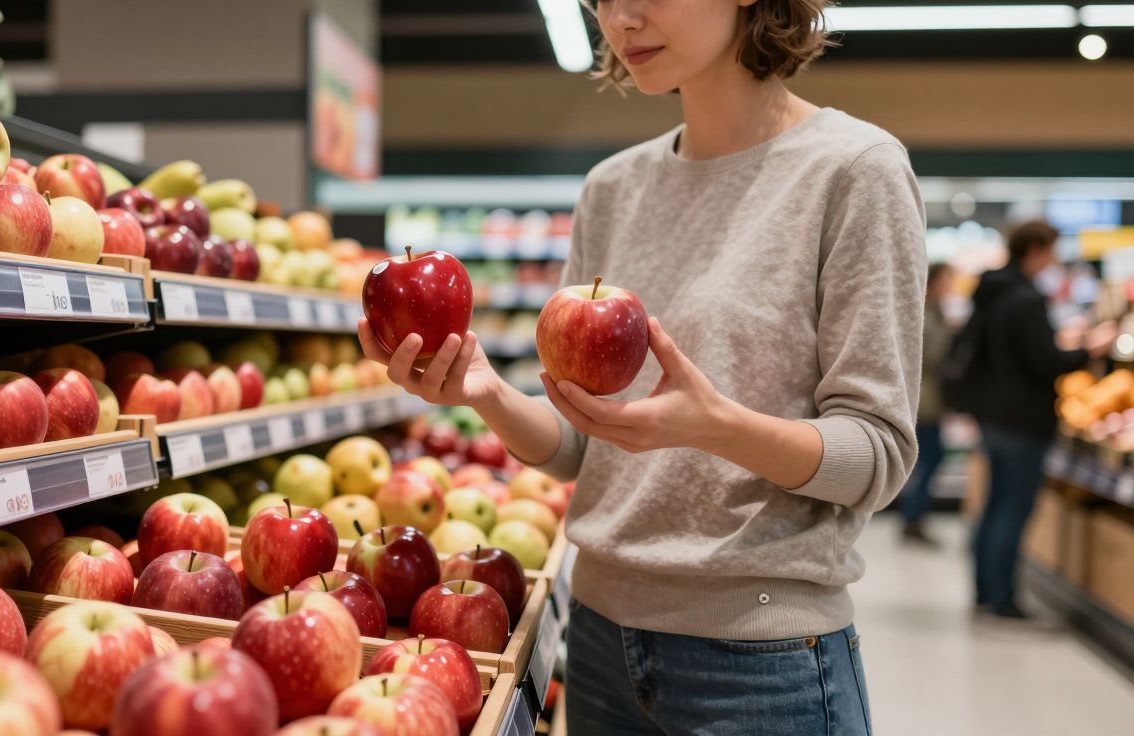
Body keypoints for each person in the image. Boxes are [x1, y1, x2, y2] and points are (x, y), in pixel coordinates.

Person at [359, 1, 926, 733]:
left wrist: (718, 429)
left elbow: (876, 456)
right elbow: (583, 449)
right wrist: (486, 392)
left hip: (762, 665)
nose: (619, 18)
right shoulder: (612, 189)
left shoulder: (854, 171)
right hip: (599, 640)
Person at [967, 220, 1114, 620]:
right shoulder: (1026, 299)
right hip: (1023, 420)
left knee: (996, 505)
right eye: (1051, 249)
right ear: (1036, 249)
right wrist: (1088, 349)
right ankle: (1002, 598)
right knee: (1014, 508)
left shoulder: (992, 292)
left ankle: (985, 591)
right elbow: (1047, 363)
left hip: (994, 416)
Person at [899, 263, 956, 546]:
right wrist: (953, 336)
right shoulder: (927, 313)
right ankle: (912, 517)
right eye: (948, 279)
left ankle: (913, 516)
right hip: (925, 402)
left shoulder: (937, 311)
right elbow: (928, 355)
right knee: (931, 458)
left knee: (929, 459)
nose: (952, 285)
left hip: (931, 400)